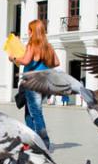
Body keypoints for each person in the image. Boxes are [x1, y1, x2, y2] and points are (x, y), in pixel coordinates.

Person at [10, 19, 60, 150]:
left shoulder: (32, 44)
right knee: (29, 113)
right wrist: (43, 64)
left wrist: (14, 58)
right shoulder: (47, 46)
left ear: (33, 31)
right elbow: (56, 62)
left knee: (36, 113)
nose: (27, 32)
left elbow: (26, 61)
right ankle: (31, 142)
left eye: (29, 29)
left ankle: (43, 142)